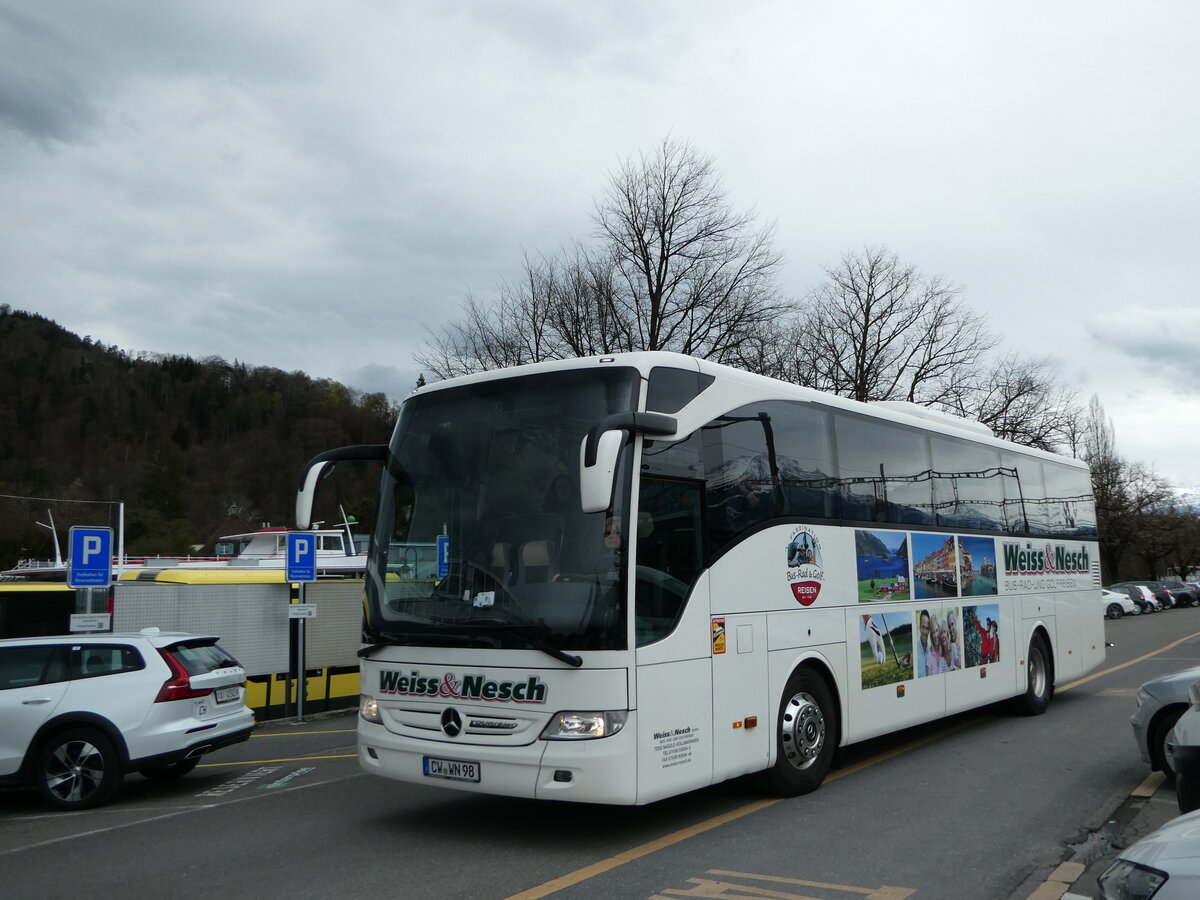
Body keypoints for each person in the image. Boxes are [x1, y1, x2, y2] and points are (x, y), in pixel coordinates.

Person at [916, 609, 932, 677]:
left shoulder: (931, 650)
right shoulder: (915, 649)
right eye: (923, 627)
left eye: (927, 628)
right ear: (919, 626)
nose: (925, 632)